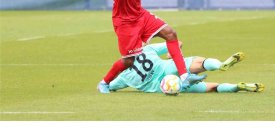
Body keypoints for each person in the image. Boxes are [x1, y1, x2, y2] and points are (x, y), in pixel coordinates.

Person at [108, 42, 265, 94]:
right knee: (199, 62)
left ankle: (237, 87)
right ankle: (220, 64)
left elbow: (111, 87)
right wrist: (173, 54)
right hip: (170, 67)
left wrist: (108, 84)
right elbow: (177, 43)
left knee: (212, 88)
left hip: (168, 87)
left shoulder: (124, 77)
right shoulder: (146, 49)